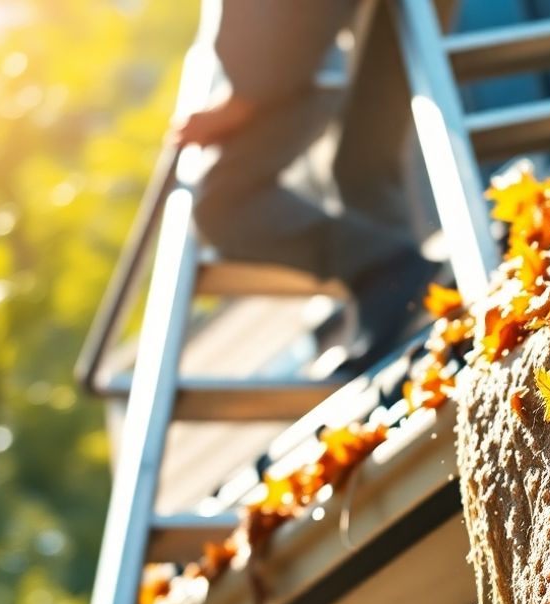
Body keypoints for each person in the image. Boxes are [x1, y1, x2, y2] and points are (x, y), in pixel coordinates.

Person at [173, 0, 437, 368]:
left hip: (295, 50)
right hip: (314, 38)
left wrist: (241, 101)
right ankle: (403, 315)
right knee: (361, 165)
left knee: (220, 203)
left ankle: (390, 271)